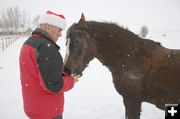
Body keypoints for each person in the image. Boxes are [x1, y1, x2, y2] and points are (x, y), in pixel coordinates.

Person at [19, 10, 80, 119]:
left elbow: (38, 74)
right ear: (47, 27)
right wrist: (71, 81)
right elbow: (53, 85)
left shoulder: (29, 42)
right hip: (49, 112)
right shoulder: (47, 48)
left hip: (34, 108)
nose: (60, 34)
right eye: (59, 29)